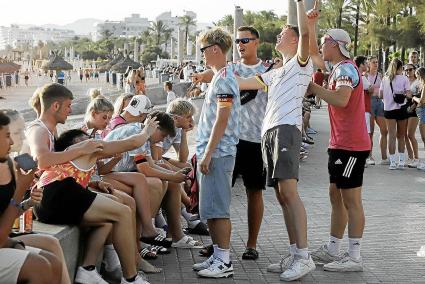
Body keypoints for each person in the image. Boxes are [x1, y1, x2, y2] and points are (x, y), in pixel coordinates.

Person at [25, 83, 149, 284]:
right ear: (55, 106)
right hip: (52, 195)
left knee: (109, 217)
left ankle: (88, 269)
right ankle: (130, 277)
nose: (71, 110)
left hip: (58, 191)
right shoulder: (37, 130)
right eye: (68, 106)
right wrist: (83, 149)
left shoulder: (50, 131)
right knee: (122, 212)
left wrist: (92, 179)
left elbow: (60, 165)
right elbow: (41, 160)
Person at [235, 1, 315, 280]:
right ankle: (295, 253)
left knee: (289, 194)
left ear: (293, 39)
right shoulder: (276, 72)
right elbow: (242, 83)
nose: (278, 36)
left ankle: (304, 257)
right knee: (281, 196)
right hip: (267, 134)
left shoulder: (300, 63)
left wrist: (299, 5)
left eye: (283, 32)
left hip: (285, 130)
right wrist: (214, 71)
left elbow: (306, 35)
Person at [192, 25, 269, 261]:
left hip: (252, 139)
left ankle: (248, 245)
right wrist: (203, 77)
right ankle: (219, 248)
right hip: (231, 141)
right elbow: (216, 77)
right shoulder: (229, 71)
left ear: (256, 42)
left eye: (245, 40)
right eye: (237, 41)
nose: (241, 44)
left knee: (252, 193)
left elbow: (223, 114)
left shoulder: (267, 71)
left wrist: (207, 153)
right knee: (219, 200)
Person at [307, 5, 370, 272]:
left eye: (324, 43)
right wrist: (311, 26)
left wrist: (314, 88)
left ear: (335, 45)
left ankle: (354, 257)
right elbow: (310, 53)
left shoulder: (346, 70)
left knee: (350, 199)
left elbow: (342, 100)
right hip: (339, 143)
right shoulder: (337, 68)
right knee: (336, 194)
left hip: (351, 145)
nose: (321, 48)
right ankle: (334, 248)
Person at [190, 27, 242, 279]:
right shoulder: (219, 76)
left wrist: (208, 153)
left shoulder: (223, 79)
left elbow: (222, 117)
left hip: (218, 153)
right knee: (209, 208)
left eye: (203, 50)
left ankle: (224, 260)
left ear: (214, 49)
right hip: (214, 152)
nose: (201, 55)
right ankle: (217, 256)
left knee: (218, 209)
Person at [0, 111, 63, 284]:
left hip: (5, 238)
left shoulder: (10, 164)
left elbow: (5, 216)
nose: (14, 141)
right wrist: (20, 189)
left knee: (54, 264)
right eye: (8, 135)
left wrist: (27, 203)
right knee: (40, 266)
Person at [380, 58, 410, 170]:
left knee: (391, 136)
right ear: (400, 68)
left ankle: (392, 163)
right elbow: (408, 94)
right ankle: (401, 162)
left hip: (388, 109)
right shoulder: (404, 79)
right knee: (401, 136)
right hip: (401, 109)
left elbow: (380, 95)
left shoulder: (385, 78)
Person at [367, 55, 388, 165]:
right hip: (369, 103)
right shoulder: (365, 75)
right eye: (373, 62)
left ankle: (384, 158)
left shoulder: (381, 75)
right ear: (368, 64)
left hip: (380, 102)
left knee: (384, 130)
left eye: (377, 62)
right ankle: (369, 157)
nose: (376, 64)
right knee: (370, 132)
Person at [354, 56, 374, 166]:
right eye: (366, 63)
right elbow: (371, 89)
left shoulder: (354, 75)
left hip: (357, 110)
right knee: (365, 134)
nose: (367, 65)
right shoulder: (361, 77)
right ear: (361, 65)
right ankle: (364, 158)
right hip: (364, 109)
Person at [404, 63, 420, 168]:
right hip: (404, 109)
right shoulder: (404, 80)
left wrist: (412, 107)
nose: (408, 72)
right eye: (406, 70)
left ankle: (416, 158)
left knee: (410, 134)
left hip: (413, 110)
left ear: (414, 70)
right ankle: (410, 158)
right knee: (404, 135)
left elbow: (419, 96)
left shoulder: (418, 82)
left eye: (410, 70)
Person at [413, 67, 425, 170]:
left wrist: (413, 98)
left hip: (423, 113)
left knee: (424, 138)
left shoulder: (424, 85)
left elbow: (421, 101)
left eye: (418, 77)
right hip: (421, 112)